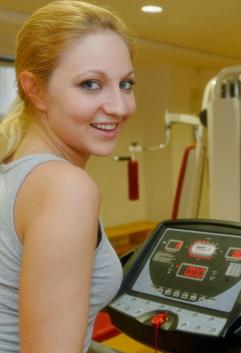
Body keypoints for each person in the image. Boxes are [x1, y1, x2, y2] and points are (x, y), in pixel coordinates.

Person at [0, 1, 136, 352]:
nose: (119, 107)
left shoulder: (11, 165)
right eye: (91, 84)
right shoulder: (66, 188)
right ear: (36, 90)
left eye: (126, 84)